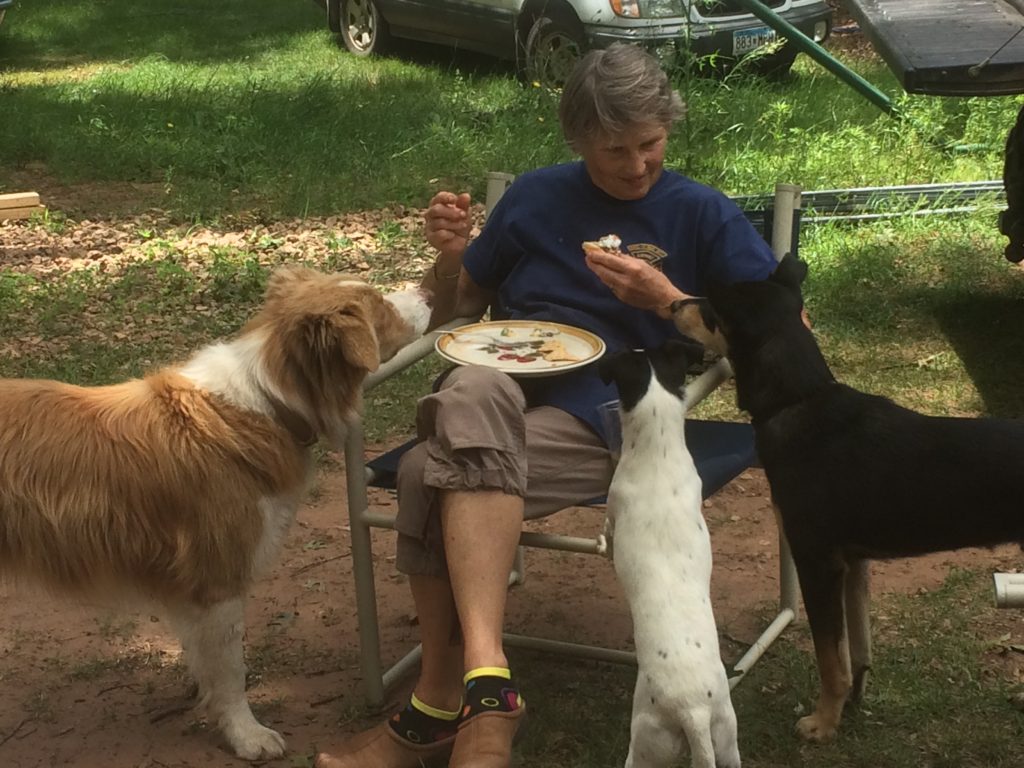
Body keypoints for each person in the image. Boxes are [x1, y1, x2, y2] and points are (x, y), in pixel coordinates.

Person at [315, 42, 777, 768]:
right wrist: (448, 250)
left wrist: (668, 300)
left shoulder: (701, 214)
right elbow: (457, 301)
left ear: (670, 130)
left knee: (422, 474)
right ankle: (488, 691)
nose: (634, 166)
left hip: (610, 416)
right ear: (577, 141)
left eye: (649, 145)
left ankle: (442, 700)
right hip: (502, 385)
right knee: (471, 385)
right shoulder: (535, 196)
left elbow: (784, 335)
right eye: (612, 151)